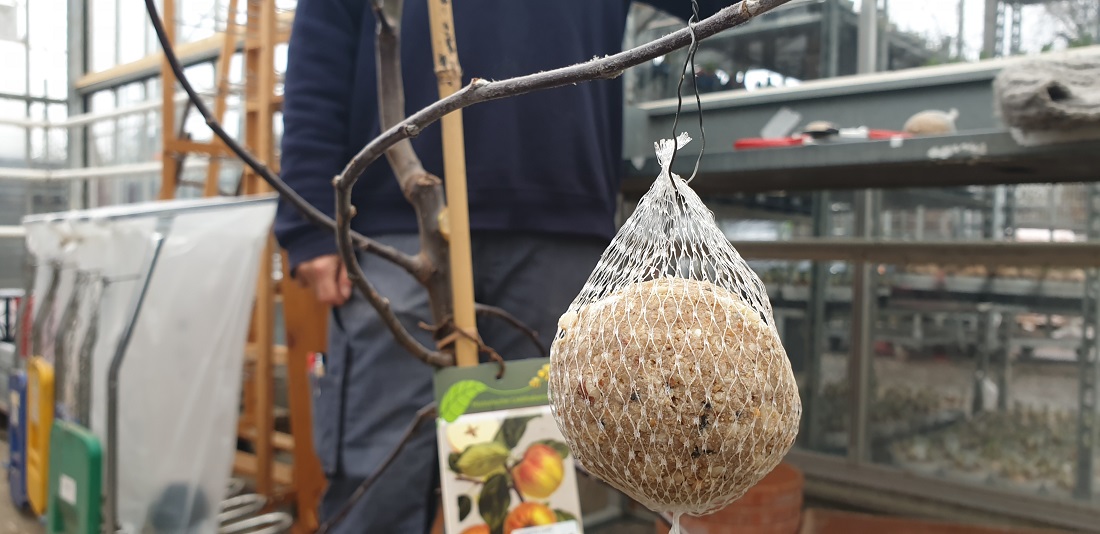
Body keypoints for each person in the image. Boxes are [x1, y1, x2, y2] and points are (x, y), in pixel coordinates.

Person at [274, 1, 728, 532]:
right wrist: (308, 214)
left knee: (529, 482)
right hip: (397, 218)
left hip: (556, 223)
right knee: (381, 470)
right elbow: (322, 44)